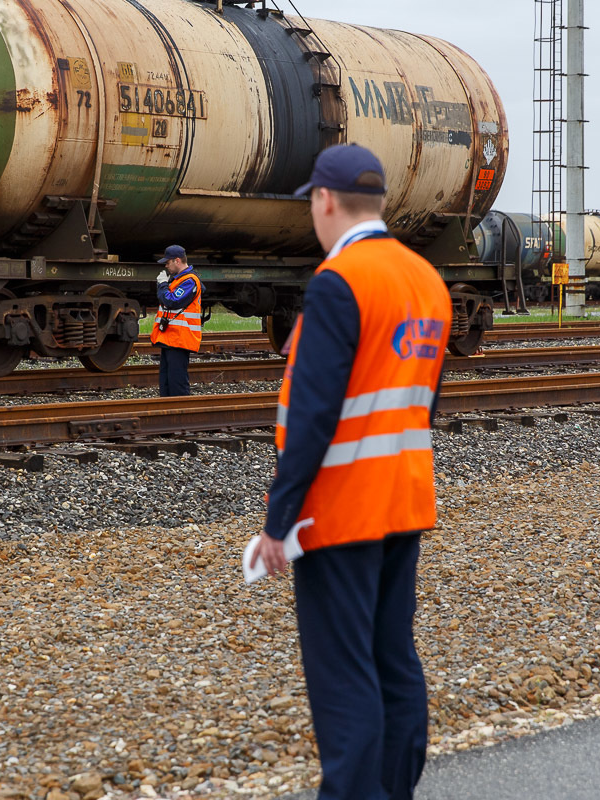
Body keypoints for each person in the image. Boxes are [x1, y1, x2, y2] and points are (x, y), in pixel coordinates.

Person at [251, 144, 452, 800]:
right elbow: (425, 398)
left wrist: (278, 522)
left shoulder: (339, 283)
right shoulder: (426, 279)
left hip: (340, 513)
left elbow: (311, 415)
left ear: (324, 200)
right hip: (405, 502)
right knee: (394, 660)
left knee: (344, 681)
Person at [150, 244, 203, 396]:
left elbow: (171, 301)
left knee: (177, 383)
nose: (166, 266)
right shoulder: (177, 280)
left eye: (168, 262)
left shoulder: (189, 281)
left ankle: (181, 415)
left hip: (180, 339)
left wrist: (162, 285)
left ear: (177, 261)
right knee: (166, 382)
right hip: (170, 338)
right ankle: (168, 413)